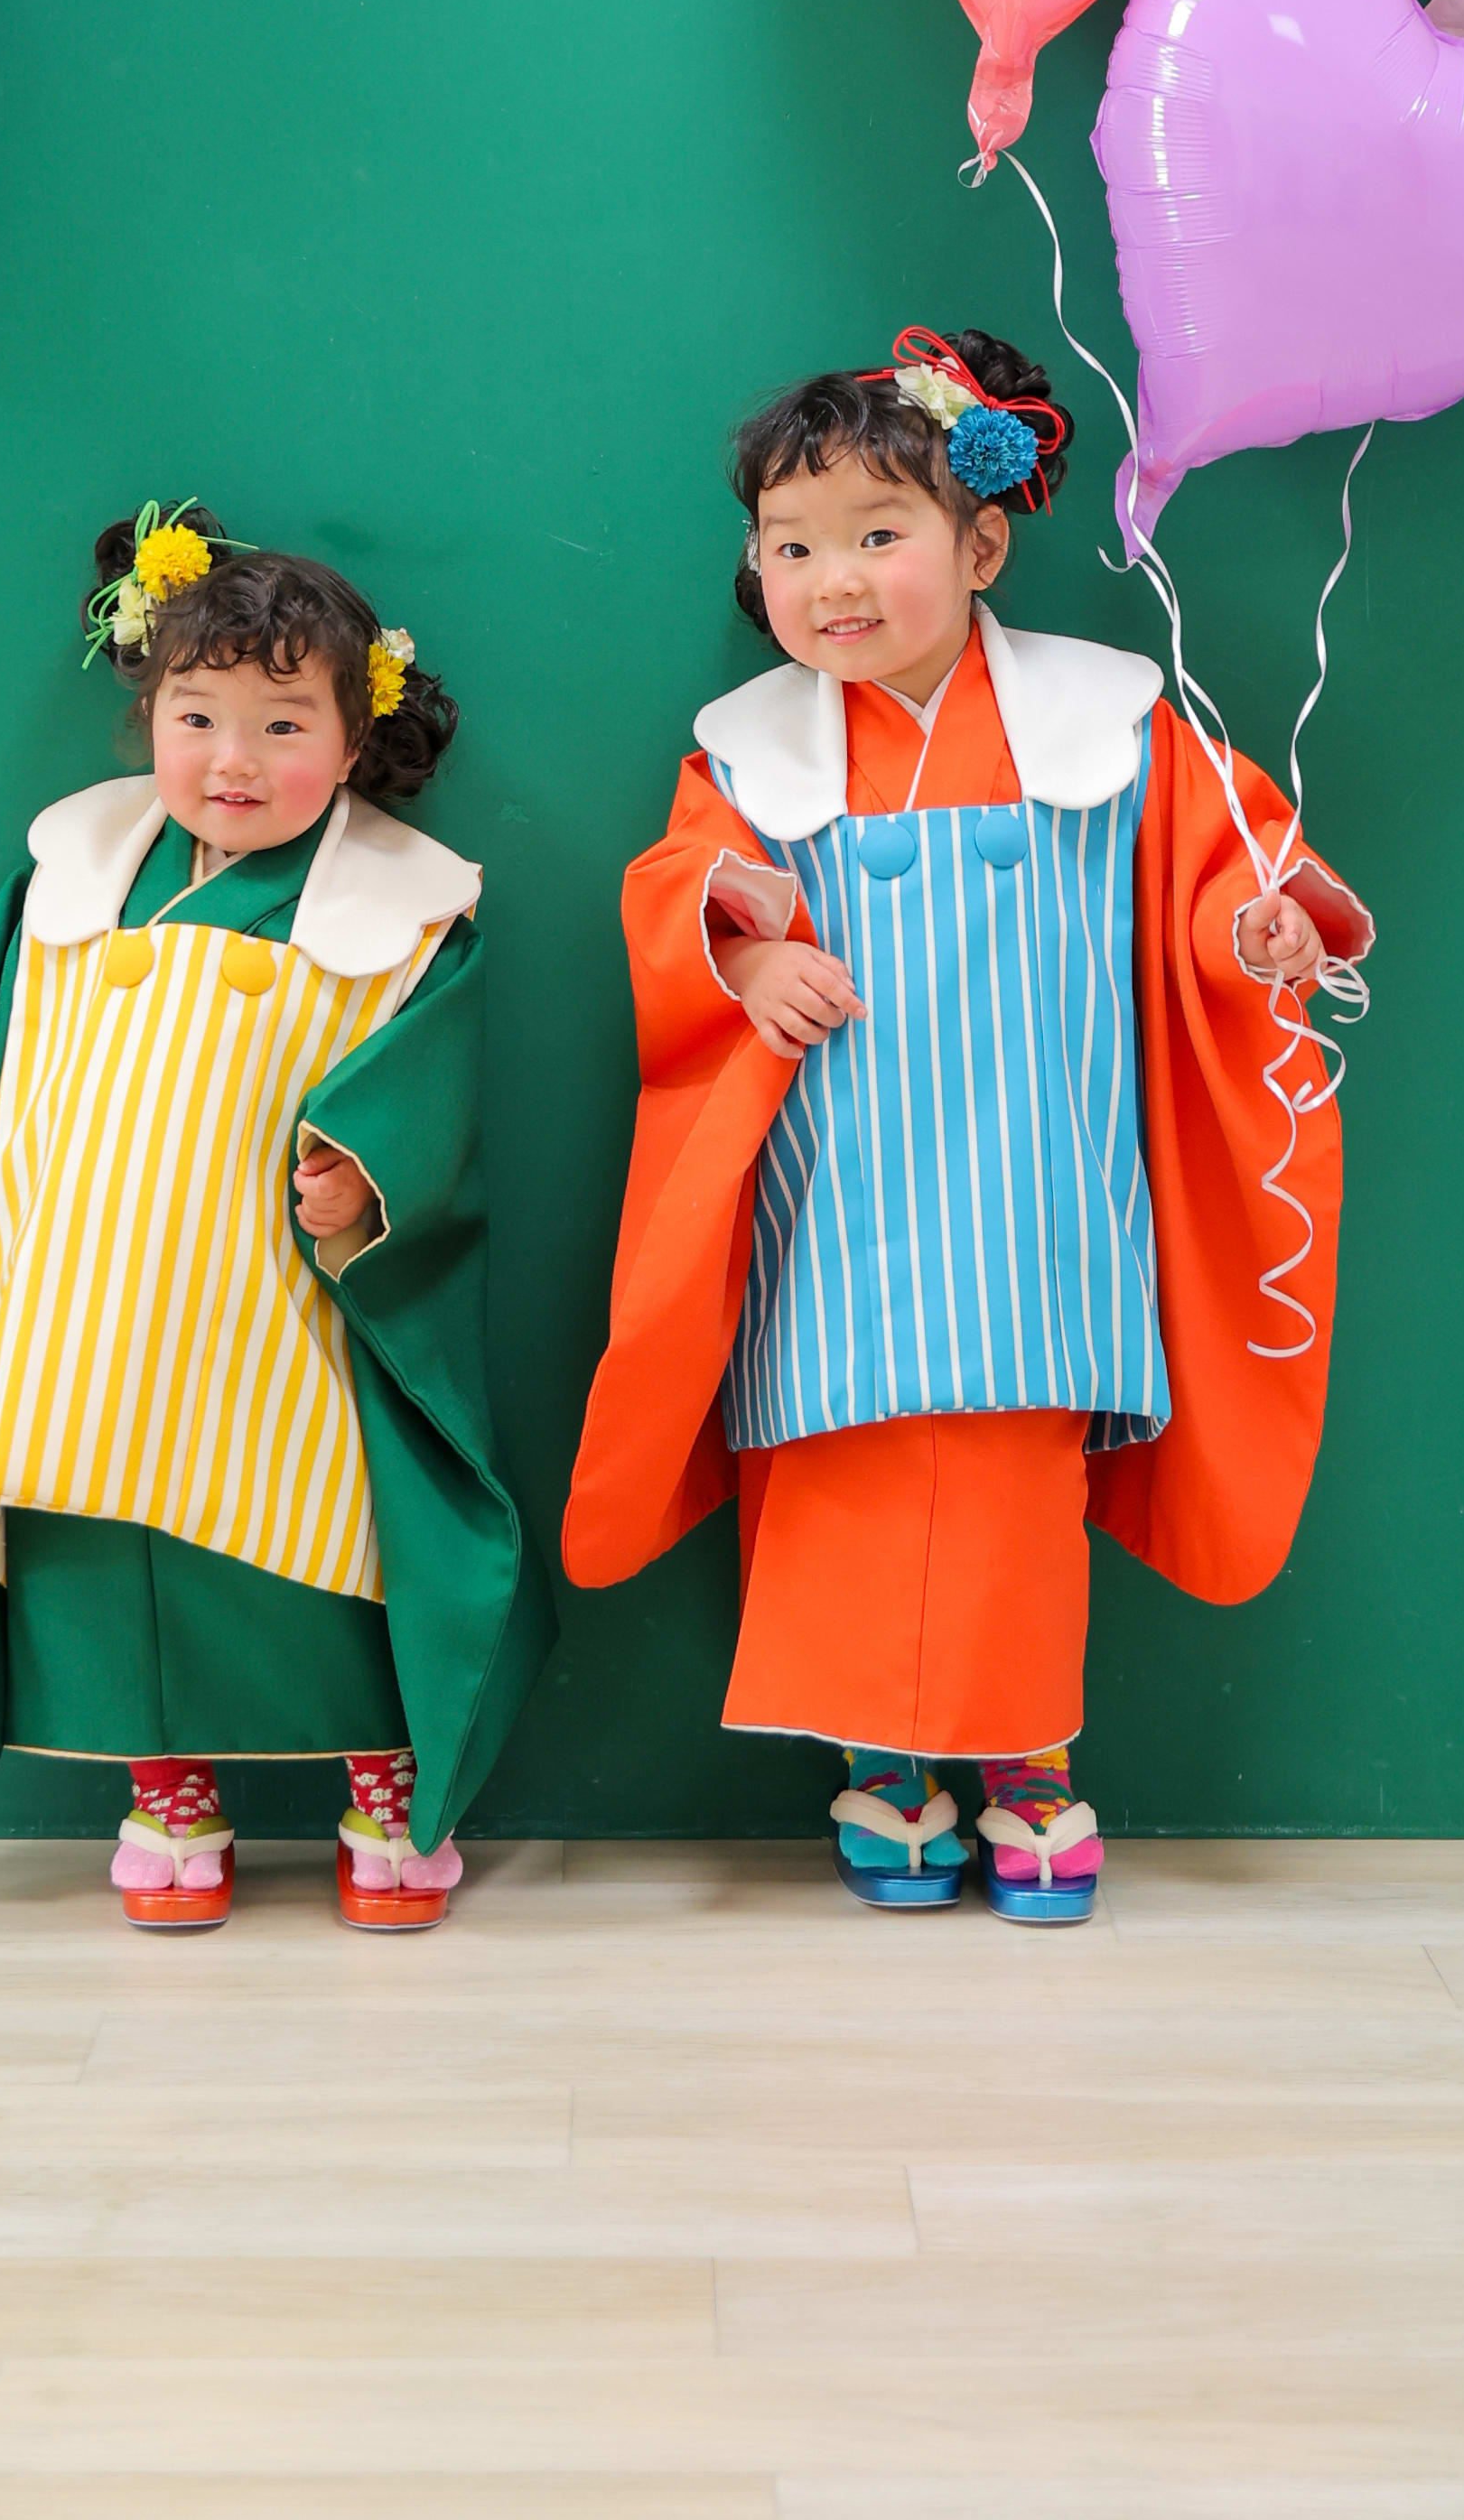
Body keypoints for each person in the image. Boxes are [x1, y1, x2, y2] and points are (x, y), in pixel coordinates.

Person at [563, 329, 1369, 1923]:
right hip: (837, 1197)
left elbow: (1222, 867)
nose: (832, 581)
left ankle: (1028, 1767)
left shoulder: (1110, 726)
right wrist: (751, 954)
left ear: (981, 544)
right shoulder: (751, 751)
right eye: (791, 546)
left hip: (1034, 1195)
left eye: (877, 533)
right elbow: (679, 889)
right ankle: (880, 1765)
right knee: (842, 1474)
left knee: (1010, 1492)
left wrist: (1258, 929)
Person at [0, 508, 547, 1932]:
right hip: (79, 1312)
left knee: (330, 1543)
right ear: (146, 713)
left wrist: (361, 1178)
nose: (231, 760)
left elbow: (419, 1089)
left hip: (277, 1312)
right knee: (107, 1551)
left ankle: (387, 1781)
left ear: (355, 738)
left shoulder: (398, 915)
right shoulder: (69, 883)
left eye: (282, 725)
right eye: (196, 716)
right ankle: (167, 1790)